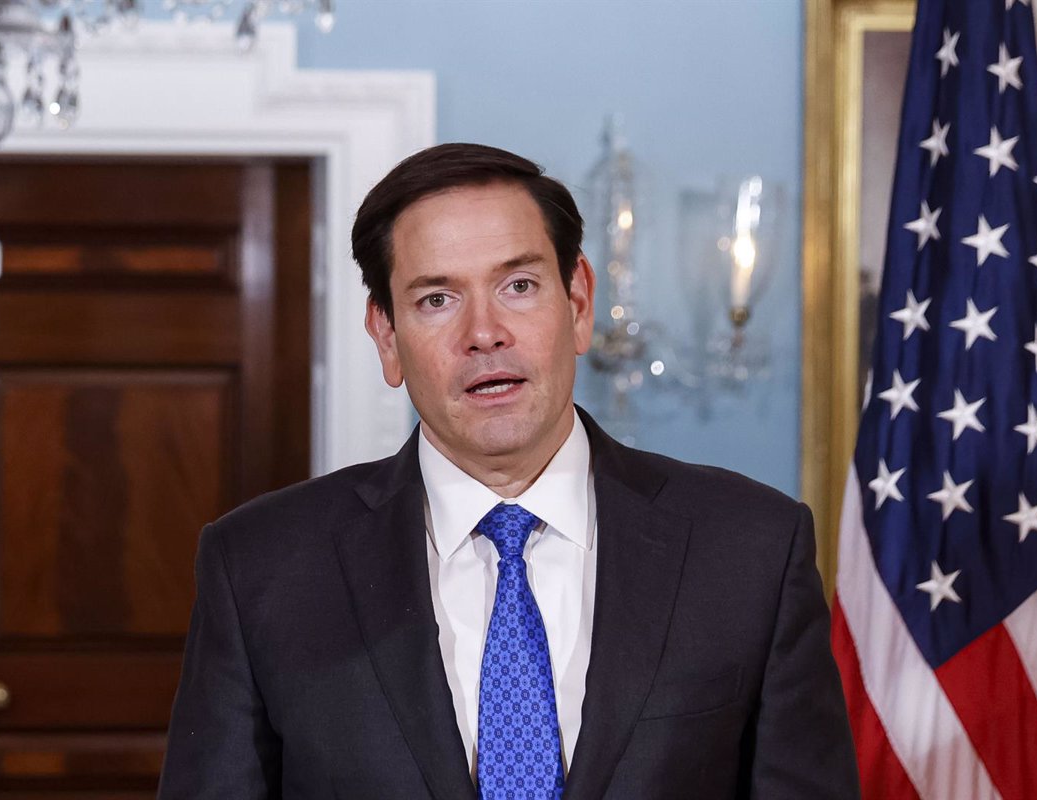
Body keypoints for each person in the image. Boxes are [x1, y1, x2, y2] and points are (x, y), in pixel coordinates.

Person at [158, 143, 859, 799]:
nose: (484, 332)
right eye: (437, 299)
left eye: (519, 285)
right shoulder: (260, 568)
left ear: (579, 303)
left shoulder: (751, 549)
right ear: (387, 336)